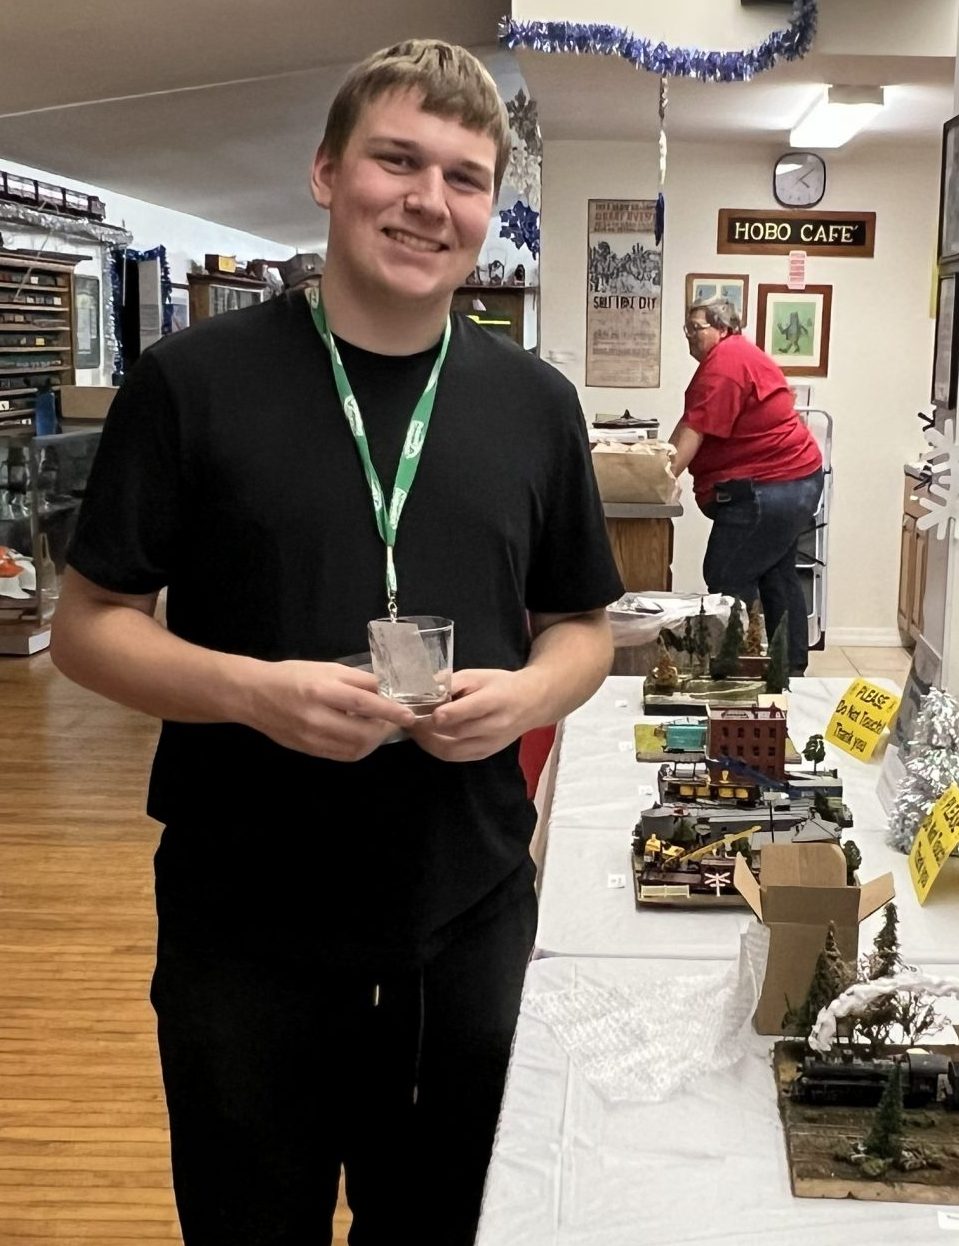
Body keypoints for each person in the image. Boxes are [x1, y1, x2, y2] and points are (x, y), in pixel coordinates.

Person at [50, 40, 622, 1246]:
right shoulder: (192, 383)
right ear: (326, 172)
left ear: (489, 208)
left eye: (463, 178)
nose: (429, 201)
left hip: (464, 912)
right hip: (245, 920)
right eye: (396, 161)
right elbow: (89, 628)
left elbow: (581, 628)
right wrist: (253, 692)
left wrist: (526, 697)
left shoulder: (534, 405)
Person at [667, 297, 824, 676]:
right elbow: (696, 423)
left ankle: (734, 669)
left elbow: (694, 429)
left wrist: (659, 477)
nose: (689, 336)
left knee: (726, 573)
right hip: (794, 481)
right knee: (776, 573)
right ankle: (790, 668)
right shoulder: (734, 355)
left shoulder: (725, 364)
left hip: (771, 486)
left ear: (723, 328)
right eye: (687, 329)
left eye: (697, 328)